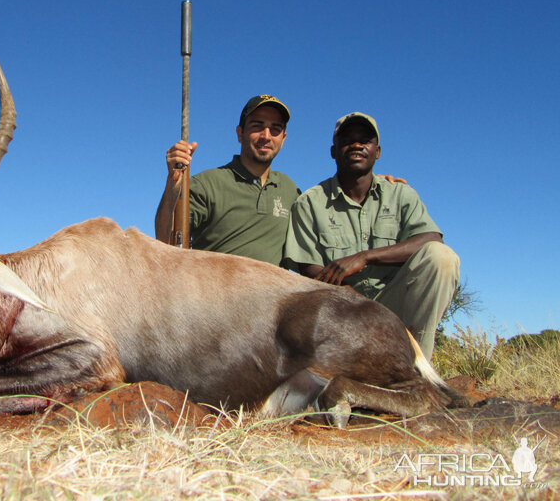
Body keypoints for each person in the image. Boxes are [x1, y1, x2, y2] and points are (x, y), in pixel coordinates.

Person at [282, 112, 459, 358]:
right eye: (347, 140)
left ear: (377, 151)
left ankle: (418, 365)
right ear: (333, 151)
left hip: (396, 306)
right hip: (344, 311)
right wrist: (351, 298)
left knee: (442, 257)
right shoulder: (310, 202)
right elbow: (308, 268)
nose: (356, 145)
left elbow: (431, 238)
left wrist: (366, 257)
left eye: (365, 140)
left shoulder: (401, 195)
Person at [155, 95, 300, 266]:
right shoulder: (206, 184)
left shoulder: (291, 191)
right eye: (257, 126)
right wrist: (173, 181)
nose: (266, 136)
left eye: (275, 129)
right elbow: (166, 240)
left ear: (283, 139)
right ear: (240, 133)